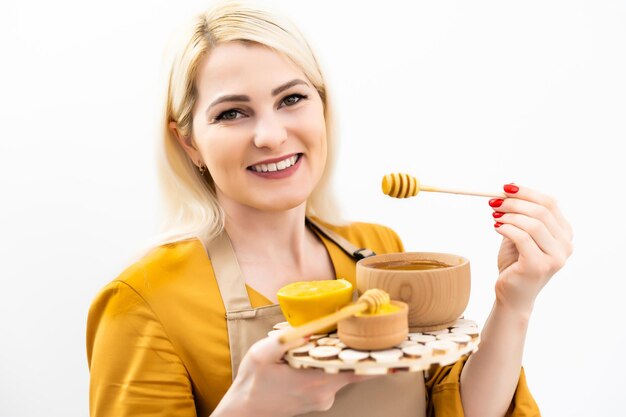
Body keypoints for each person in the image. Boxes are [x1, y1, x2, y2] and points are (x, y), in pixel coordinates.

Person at [86, 1, 573, 416]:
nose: (271, 135)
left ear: (323, 107)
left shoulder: (381, 253)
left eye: (292, 99)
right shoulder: (142, 302)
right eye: (232, 112)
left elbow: (459, 407)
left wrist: (516, 301)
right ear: (189, 142)